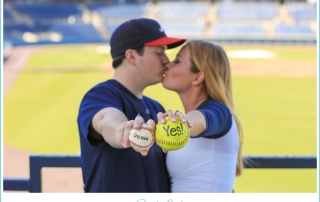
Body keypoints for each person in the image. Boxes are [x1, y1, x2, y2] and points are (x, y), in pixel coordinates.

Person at [77, 18, 186, 192]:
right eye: (159, 53)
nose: (167, 60)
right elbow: (106, 120)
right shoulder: (100, 95)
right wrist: (125, 130)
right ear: (132, 56)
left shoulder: (156, 107)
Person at [157, 40, 243, 193]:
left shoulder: (219, 111)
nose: (168, 64)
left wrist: (183, 123)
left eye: (177, 61)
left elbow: (202, 121)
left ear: (197, 77)